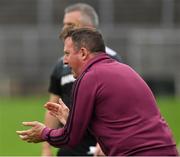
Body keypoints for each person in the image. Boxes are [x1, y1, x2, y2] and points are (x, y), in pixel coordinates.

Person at [17, 28, 179, 156]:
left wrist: (44, 133)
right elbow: (114, 125)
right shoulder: (124, 69)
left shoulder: (89, 77)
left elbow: (70, 139)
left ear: (83, 53)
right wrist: (70, 119)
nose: (64, 61)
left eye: (67, 54)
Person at [41, 3, 121, 156]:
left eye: (70, 25)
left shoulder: (112, 61)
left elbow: (117, 108)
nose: (65, 29)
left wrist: (103, 142)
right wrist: (46, 148)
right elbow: (53, 107)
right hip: (69, 144)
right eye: (64, 24)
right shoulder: (61, 64)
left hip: (100, 148)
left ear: (89, 28)